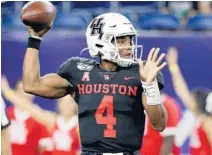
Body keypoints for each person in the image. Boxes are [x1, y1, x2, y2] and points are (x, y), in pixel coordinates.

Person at [20, 12, 167, 154]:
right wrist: (34, 39)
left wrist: (150, 85)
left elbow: (159, 124)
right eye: (121, 40)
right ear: (100, 42)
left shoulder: (140, 72)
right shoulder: (78, 70)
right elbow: (31, 85)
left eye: (130, 40)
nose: (128, 46)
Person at [1, 75, 81, 155]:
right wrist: (8, 92)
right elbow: (29, 108)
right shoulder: (52, 120)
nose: (65, 105)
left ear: (75, 105)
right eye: (62, 101)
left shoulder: (78, 125)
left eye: (69, 102)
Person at [166, 47, 212, 155]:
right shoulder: (199, 118)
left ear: (200, 103)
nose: (189, 101)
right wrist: (173, 67)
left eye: (193, 99)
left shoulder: (208, 123)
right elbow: (181, 91)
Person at [1, 78, 51, 155]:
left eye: (27, 91)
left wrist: (7, 92)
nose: (24, 95)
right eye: (21, 91)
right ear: (15, 93)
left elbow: (46, 149)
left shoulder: (40, 118)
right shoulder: (5, 115)